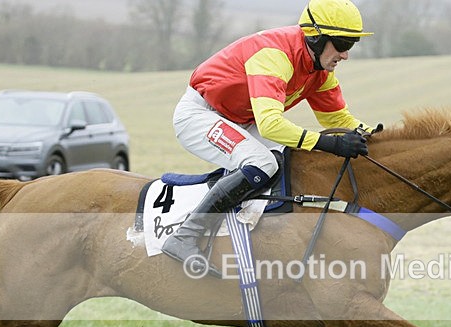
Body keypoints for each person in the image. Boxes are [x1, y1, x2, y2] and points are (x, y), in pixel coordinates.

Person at [162, 0, 379, 269]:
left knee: (288, 158)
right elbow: (271, 126)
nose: (345, 55)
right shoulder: (276, 55)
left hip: (240, 118)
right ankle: (185, 236)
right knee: (263, 162)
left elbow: (337, 119)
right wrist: (330, 144)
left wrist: (376, 136)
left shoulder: (319, 71)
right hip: (200, 115)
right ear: (316, 37)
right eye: (342, 44)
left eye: (351, 45)